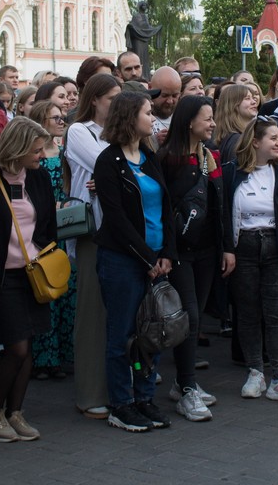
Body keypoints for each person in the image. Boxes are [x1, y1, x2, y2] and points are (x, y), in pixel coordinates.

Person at [93, 91, 175, 432]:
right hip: (122, 261)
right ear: (130, 117)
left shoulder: (149, 155)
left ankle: (144, 397)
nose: (152, 118)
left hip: (156, 260)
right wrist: (147, 257)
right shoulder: (108, 161)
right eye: (147, 112)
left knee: (151, 334)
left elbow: (166, 206)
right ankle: (121, 403)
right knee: (122, 335)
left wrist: (167, 253)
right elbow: (116, 219)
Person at [0, 118, 56, 443]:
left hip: (34, 272)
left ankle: (15, 412)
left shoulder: (38, 177)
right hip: (3, 276)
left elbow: (48, 222)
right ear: (18, 148)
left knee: (29, 345)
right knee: (16, 348)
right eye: (36, 150)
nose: (42, 155)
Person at [223, 117, 278, 405]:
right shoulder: (231, 172)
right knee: (248, 312)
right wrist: (227, 248)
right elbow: (222, 212)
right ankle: (255, 372)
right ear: (255, 141)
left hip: (277, 248)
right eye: (272, 137)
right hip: (243, 249)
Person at [156, 95, 230, 422]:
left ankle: (183, 382)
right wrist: (167, 252)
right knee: (189, 318)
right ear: (189, 122)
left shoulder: (208, 155)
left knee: (195, 316)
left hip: (208, 251)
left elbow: (219, 204)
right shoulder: (168, 158)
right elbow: (163, 208)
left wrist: (226, 247)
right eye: (207, 118)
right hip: (180, 253)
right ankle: (187, 388)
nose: (213, 124)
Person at [64, 74, 121, 420]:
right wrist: (120, 173)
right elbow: (109, 164)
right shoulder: (78, 130)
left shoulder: (123, 134)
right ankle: (89, 393)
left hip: (122, 230)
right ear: (95, 99)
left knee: (120, 312)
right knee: (92, 312)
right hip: (92, 230)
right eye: (111, 98)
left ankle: (119, 386)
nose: (116, 104)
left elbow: (135, 167)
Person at [28, 100, 75, 382]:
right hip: (42, 230)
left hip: (66, 229)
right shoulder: (32, 156)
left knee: (66, 294)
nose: (61, 121)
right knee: (45, 294)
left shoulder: (64, 150)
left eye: (62, 117)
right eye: (54, 117)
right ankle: (42, 359)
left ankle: (61, 357)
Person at [214, 83, 258, 163]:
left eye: (253, 98)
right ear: (233, 104)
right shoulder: (236, 141)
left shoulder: (241, 136)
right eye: (247, 98)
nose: (254, 102)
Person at [148, 66, 182, 145]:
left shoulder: (183, 118)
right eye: (164, 95)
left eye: (174, 96)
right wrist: (154, 141)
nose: (170, 101)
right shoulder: (140, 118)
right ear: (150, 87)